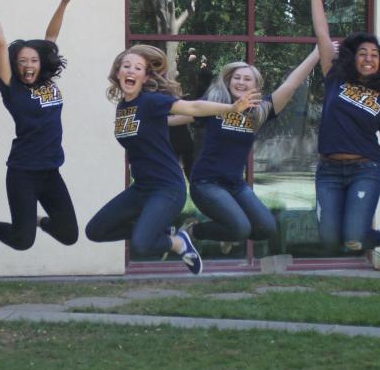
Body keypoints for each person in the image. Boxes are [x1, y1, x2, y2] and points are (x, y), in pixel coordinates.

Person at [85, 44, 260, 274]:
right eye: (126, 66)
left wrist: (231, 108)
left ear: (145, 76)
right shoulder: (123, 106)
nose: (131, 71)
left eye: (138, 68)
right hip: (141, 188)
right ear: (117, 72)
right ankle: (162, 232)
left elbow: (193, 107)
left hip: (167, 188)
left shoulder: (152, 101)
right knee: (96, 231)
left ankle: (178, 242)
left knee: (142, 244)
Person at [174, 18, 321, 259]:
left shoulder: (259, 112)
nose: (241, 82)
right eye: (237, 78)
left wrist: (316, 53)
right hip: (206, 183)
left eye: (247, 79)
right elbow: (179, 114)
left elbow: (292, 84)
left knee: (265, 228)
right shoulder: (215, 107)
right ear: (229, 81)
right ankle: (192, 230)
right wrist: (149, 118)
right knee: (240, 228)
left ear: (256, 85)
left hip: (235, 184)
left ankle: (228, 233)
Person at [0, 0, 79, 253]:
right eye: (23, 61)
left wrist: (63, 3)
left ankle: (32, 221)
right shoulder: (12, 89)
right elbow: (1, 44)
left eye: (34, 61)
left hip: (50, 171)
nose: (28, 65)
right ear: (15, 65)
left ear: (41, 64)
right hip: (23, 172)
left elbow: (51, 35)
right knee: (22, 240)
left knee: (69, 233)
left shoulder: (48, 82)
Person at [309, 0, 380, 273]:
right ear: (354, 58)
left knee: (354, 238)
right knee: (329, 240)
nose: (368, 58)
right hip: (328, 169)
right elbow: (322, 34)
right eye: (363, 53)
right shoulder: (335, 79)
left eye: (375, 55)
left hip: (364, 170)